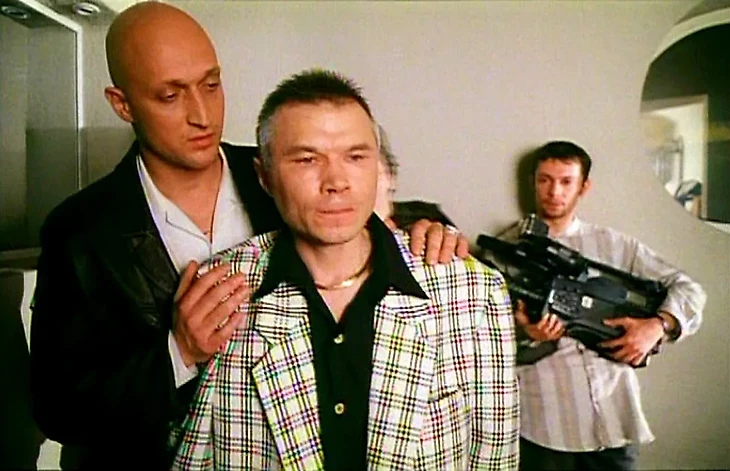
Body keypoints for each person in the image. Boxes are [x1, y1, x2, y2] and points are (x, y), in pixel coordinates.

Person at [28, 3, 468, 469]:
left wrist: (423, 234)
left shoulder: (283, 175)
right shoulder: (77, 231)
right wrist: (179, 353)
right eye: (171, 96)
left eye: (211, 85)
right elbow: (57, 409)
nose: (202, 115)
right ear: (122, 104)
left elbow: (352, 221)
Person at [170, 69, 520, 470]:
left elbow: (495, 457)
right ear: (264, 177)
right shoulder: (221, 289)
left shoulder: (472, 292)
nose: (336, 181)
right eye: (307, 159)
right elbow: (189, 453)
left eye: (355, 157)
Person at [509, 141, 706, 470]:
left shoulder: (615, 245)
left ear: (583, 187)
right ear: (533, 182)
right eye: (545, 180)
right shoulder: (505, 252)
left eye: (566, 181)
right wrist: (528, 336)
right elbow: (482, 344)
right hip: (545, 428)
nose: (554, 191)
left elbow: (690, 289)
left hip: (615, 425)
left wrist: (656, 326)